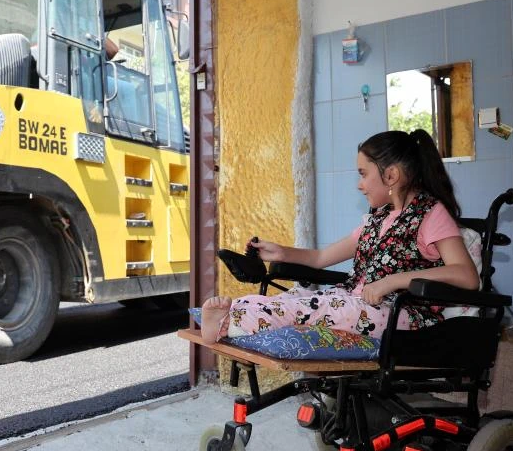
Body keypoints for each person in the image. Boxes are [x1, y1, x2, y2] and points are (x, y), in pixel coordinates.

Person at [200, 129, 480, 345]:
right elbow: (321, 257)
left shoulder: (430, 214)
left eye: (363, 174)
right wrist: (281, 252)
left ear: (391, 175)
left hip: (402, 315)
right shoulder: (378, 218)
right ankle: (233, 316)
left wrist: (392, 281)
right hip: (356, 303)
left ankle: (233, 324)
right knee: (296, 298)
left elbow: (466, 275)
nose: (359, 185)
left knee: (320, 307)